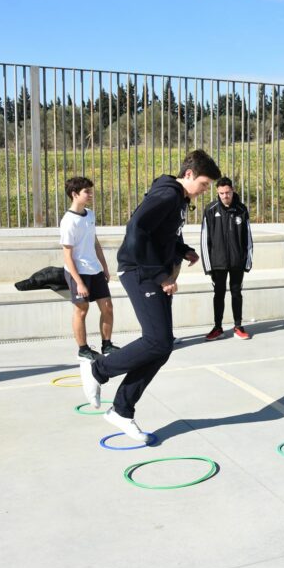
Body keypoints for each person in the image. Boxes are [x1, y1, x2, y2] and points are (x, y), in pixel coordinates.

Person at [78, 149, 220, 442]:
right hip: (140, 271)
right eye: (204, 184)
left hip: (151, 270)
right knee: (156, 341)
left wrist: (182, 250)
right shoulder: (168, 195)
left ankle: (121, 411)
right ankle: (98, 370)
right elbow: (137, 230)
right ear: (190, 174)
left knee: (162, 345)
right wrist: (159, 276)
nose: (206, 191)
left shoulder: (177, 198)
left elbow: (162, 233)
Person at [60, 176, 119, 361]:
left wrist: (105, 267)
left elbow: (95, 243)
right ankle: (83, 349)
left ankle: (107, 345)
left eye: (90, 190)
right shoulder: (68, 221)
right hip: (78, 272)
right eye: (87, 191)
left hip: (95, 270)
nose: (90, 194)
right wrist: (79, 283)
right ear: (74, 194)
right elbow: (67, 256)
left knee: (108, 307)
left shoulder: (90, 215)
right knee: (82, 310)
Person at [201, 176, 253, 340]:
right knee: (219, 294)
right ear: (217, 192)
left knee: (237, 293)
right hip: (218, 263)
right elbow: (204, 240)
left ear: (233, 190)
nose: (225, 196)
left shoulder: (242, 209)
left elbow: (248, 238)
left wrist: (247, 262)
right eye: (222, 193)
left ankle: (238, 326)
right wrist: (208, 266)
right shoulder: (210, 210)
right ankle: (218, 327)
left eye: (228, 192)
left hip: (237, 261)